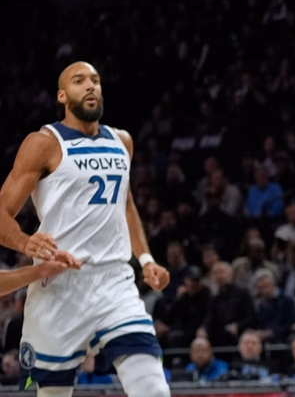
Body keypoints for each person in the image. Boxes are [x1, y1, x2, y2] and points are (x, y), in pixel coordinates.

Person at [0, 61, 171, 396]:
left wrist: (146, 258)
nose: (90, 86)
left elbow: (125, 205)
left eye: (95, 80)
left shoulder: (122, 141)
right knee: (53, 393)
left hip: (115, 282)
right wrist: (24, 242)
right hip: (59, 282)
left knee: (151, 386)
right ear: (62, 95)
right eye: (79, 81)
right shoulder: (44, 143)